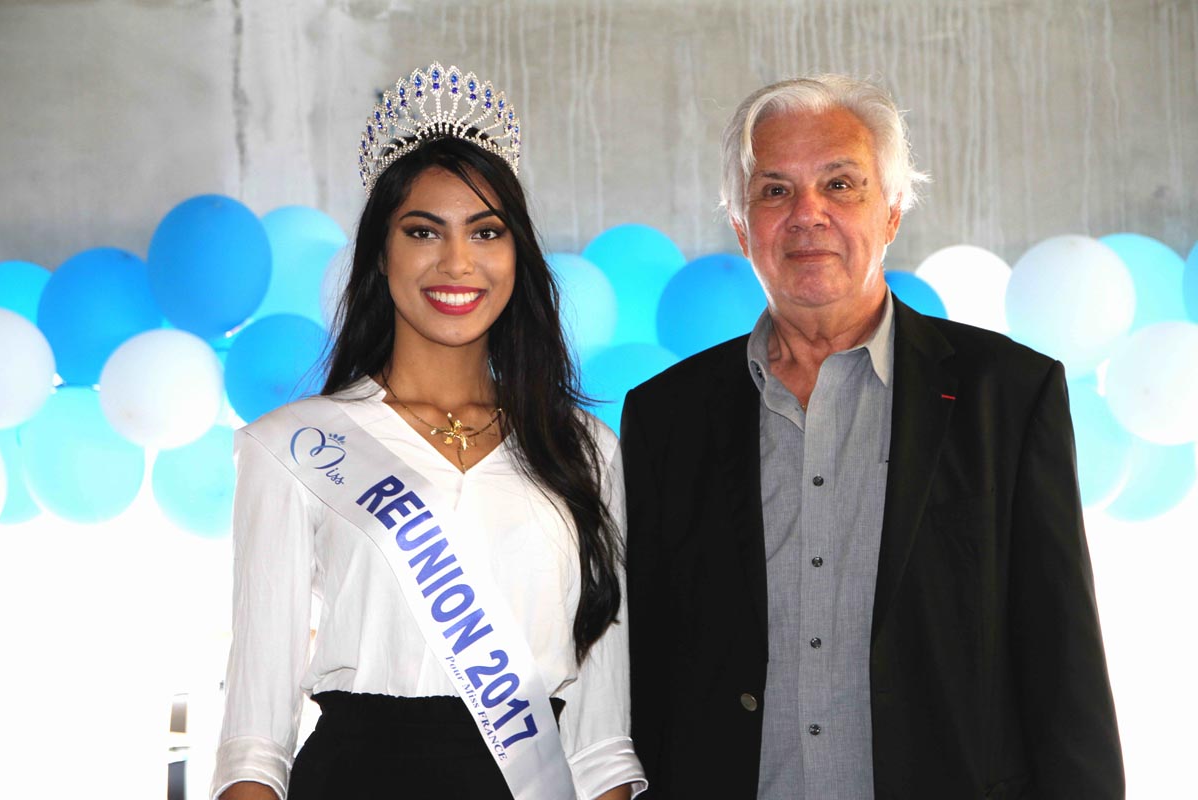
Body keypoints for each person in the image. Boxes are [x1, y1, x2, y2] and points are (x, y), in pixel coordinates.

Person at [622, 73, 1123, 799]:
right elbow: (643, 668)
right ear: (741, 229)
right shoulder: (667, 416)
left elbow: (1063, 668)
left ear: (891, 213)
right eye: (774, 191)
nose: (807, 214)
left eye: (841, 184)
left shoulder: (1008, 396)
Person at [211, 63, 645, 800]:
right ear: (380, 255)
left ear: (517, 257)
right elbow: (254, 740)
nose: (458, 262)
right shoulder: (290, 447)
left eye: (486, 232)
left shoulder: (584, 452)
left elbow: (602, 744)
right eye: (423, 231)